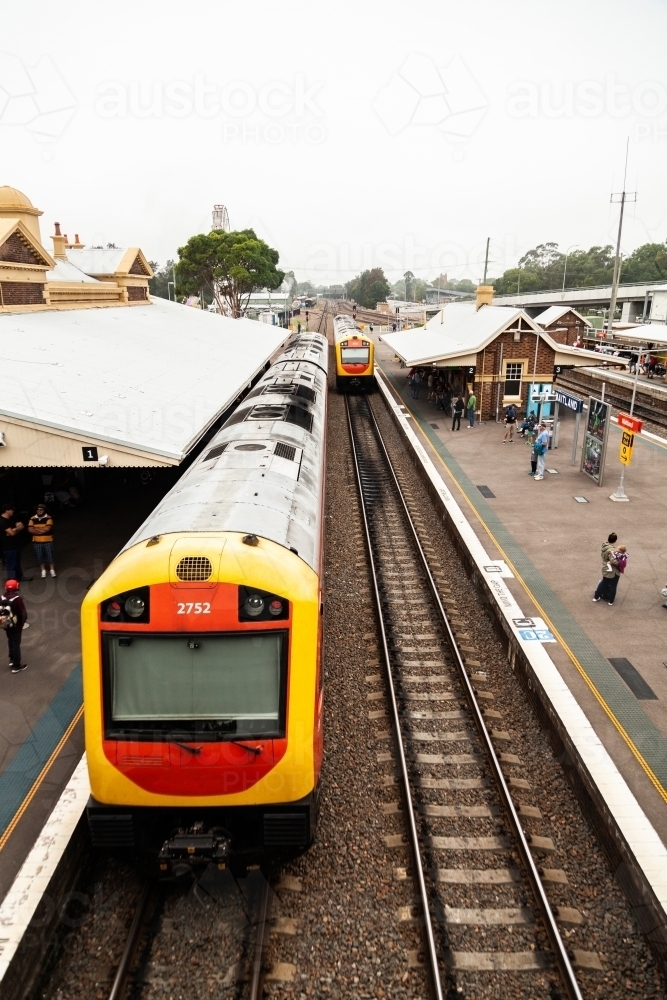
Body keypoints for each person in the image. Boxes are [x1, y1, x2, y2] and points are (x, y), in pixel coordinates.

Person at [0, 579, 27, 672]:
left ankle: (11, 659)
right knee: (16, 643)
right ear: (17, 587)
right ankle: (16, 665)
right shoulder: (17, 599)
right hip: (16, 625)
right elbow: (23, 613)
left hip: (5, 623)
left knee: (10, 640)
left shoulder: (2, 597)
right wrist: (23, 622)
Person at [593, 533, 621, 605]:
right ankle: (611, 601)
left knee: (603, 583)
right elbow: (614, 560)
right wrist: (620, 562)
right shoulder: (612, 550)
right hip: (613, 570)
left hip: (605, 567)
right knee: (613, 585)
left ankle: (596, 597)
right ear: (615, 540)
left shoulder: (604, 546)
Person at [29, 504, 56, 578]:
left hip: (48, 541)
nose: (39, 511)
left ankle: (52, 570)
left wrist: (36, 530)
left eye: (41, 510)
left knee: (50, 555)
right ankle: (43, 570)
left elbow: (47, 529)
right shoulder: (32, 518)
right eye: (38, 509)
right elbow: (30, 530)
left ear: (44, 511)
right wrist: (42, 530)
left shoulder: (49, 518)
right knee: (39, 556)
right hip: (36, 542)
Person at [1, 504, 25, 582]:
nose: (13, 511)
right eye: (11, 510)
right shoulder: (2, 521)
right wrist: (17, 529)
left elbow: (21, 526)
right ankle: (11, 581)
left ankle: (20, 577)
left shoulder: (12, 518)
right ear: (7, 510)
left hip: (16, 545)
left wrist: (15, 529)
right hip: (9, 547)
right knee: (11, 564)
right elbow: (11, 533)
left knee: (17, 562)